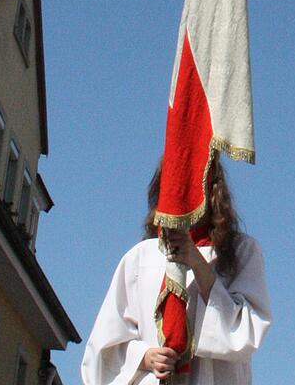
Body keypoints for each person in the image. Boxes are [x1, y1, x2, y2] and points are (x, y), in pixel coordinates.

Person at [81, 152, 271, 384]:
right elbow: (103, 347)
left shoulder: (242, 251)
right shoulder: (140, 258)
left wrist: (198, 264)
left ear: (212, 189)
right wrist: (144, 357)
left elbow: (246, 333)